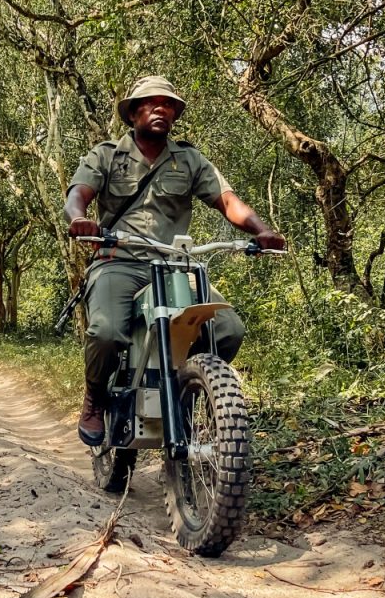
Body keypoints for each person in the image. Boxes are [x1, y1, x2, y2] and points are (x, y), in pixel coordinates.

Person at [64, 75, 286, 446]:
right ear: (134, 112)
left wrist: (260, 230)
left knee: (228, 329)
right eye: (151, 103)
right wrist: (78, 219)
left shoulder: (189, 159)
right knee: (105, 332)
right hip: (120, 261)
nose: (161, 109)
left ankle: (185, 388)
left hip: (173, 265)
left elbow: (227, 201)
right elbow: (78, 196)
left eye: (168, 104)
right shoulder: (106, 155)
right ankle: (95, 398)